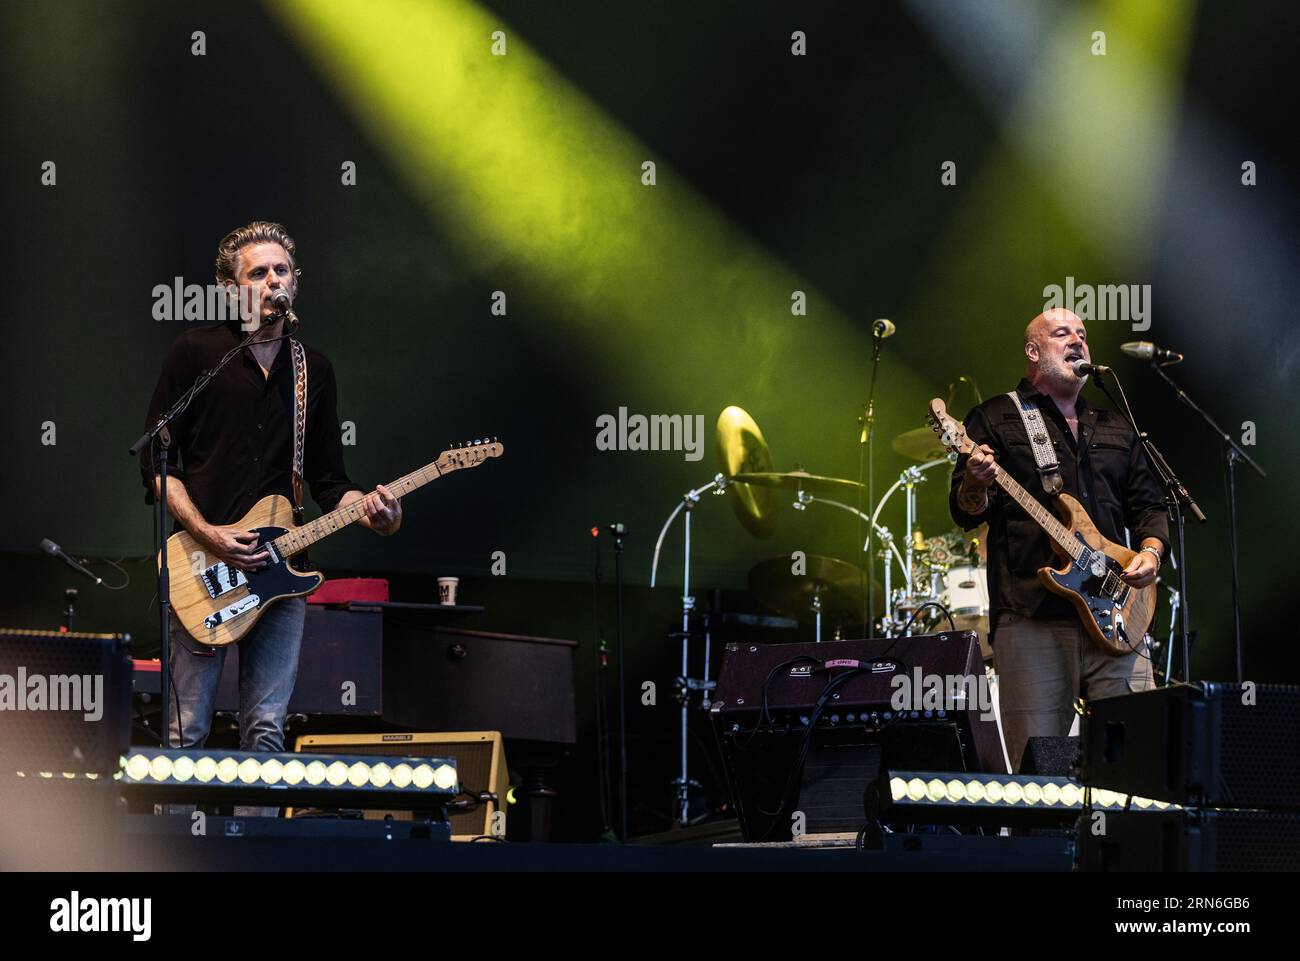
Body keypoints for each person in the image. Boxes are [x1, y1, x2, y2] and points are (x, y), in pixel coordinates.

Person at [140, 220, 402, 752]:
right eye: (259, 272)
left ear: (295, 283)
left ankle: (255, 838)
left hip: (284, 570)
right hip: (204, 566)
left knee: (266, 732)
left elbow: (331, 482)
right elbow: (157, 464)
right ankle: (173, 838)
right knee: (185, 729)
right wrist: (207, 532)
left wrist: (376, 511)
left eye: (281, 271)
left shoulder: (314, 371)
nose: (273, 280)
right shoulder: (197, 354)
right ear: (232, 289)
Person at [949, 307, 1169, 772]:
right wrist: (976, 479)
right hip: (1033, 616)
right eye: (1062, 333)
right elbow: (966, 511)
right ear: (1033, 351)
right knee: (1037, 770)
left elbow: (1149, 505)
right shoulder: (995, 417)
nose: (1078, 341)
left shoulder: (1115, 425)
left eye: (1083, 334)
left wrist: (1150, 552)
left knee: (1137, 761)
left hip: (1119, 614)